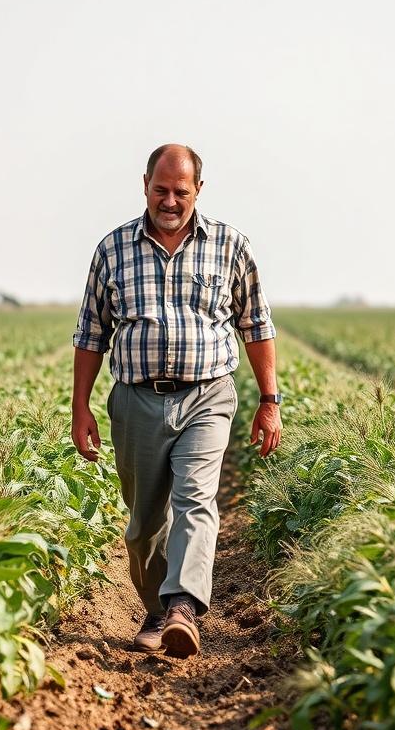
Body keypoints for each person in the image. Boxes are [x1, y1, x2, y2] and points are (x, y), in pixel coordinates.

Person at [70, 143, 282, 658]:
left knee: (195, 500)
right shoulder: (112, 250)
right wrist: (81, 408)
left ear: (198, 191)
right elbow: (91, 333)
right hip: (136, 400)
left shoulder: (231, 246)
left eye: (180, 191)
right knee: (144, 526)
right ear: (145, 185)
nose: (169, 200)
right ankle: (157, 610)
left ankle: (183, 607)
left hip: (208, 393)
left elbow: (256, 325)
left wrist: (270, 400)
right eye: (161, 190)